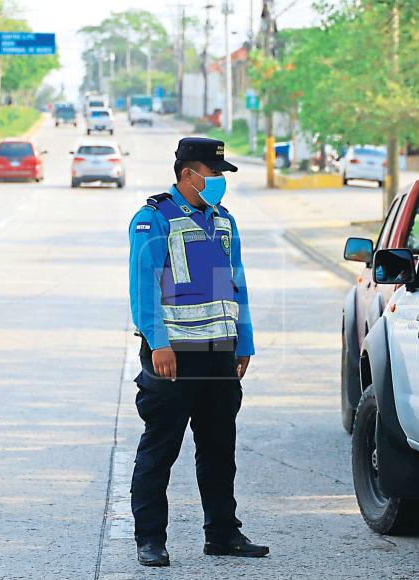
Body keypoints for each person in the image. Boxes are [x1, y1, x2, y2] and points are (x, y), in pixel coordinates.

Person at [127, 137, 268, 567]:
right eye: (213, 173)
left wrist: (243, 342)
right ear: (188, 174)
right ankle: (150, 539)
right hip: (175, 356)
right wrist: (159, 344)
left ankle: (222, 533)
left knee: (219, 448)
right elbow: (143, 285)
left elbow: (236, 283)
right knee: (160, 449)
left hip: (220, 355)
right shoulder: (155, 219)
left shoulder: (224, 221)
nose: (219, 181)